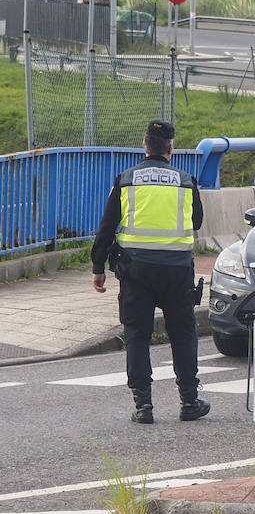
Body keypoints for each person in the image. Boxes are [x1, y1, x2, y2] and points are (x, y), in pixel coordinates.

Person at [91, 120, 210, 424]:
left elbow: (106, 227)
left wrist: (98, 267)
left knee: (137, 335)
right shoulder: (186, 181)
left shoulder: (126, 180)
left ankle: (143, 406)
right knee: (183, 334)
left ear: (144, 145)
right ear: (171, 148)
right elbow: (196, 222)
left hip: (136, 270)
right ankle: (189, 401)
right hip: (177, 271)